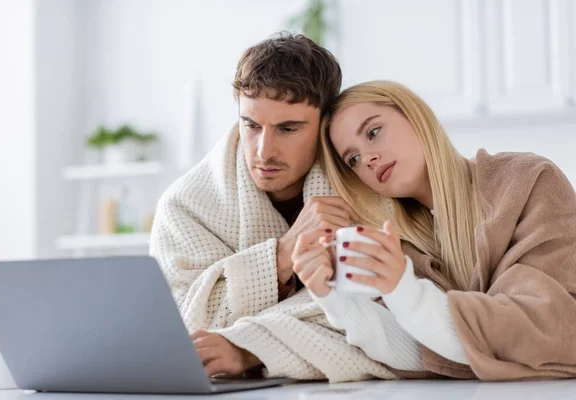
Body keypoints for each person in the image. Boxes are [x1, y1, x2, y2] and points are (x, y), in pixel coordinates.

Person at [150, 34, 398, 382]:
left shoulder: (369, 187)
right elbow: (185, 329)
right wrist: (282, 255)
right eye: (251, 125)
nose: (264, 151)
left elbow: (385, 324)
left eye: (288, 129)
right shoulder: (184, 206)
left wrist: (251, 349)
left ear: (325, 125)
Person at [293, 80, 576, 380]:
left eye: (373, 132)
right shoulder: (402, 249)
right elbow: (421, 355)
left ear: (413, 115)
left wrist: (405, 292)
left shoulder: (527, 182)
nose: (368, 159)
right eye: (353, 159)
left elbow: (553, 327)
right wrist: (331, 297)